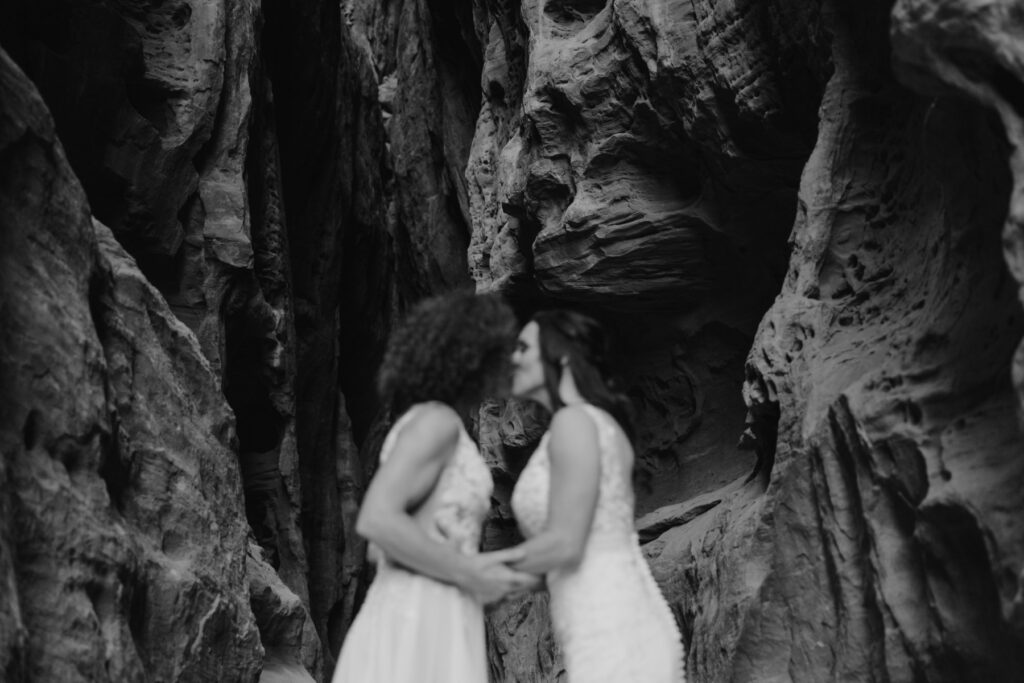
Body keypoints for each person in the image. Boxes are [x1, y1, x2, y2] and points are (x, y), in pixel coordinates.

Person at [332, 291, 536, 683]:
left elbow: (380, 551)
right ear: (470, 359)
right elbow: (377, 520)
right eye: (499, 352)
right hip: (421, 619)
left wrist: (480, 571)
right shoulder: (436, 423)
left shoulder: (426, 422)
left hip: (426, 608)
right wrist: (469, 573)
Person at [508, 309, 686, 682]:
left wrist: (472, 571)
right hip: (602, 624)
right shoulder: (591, 423)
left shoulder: (574, 422)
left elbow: (566, 544)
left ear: (562, 355)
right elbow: (570, 557)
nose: (514, 358)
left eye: (523, 347)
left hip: (612, 629)